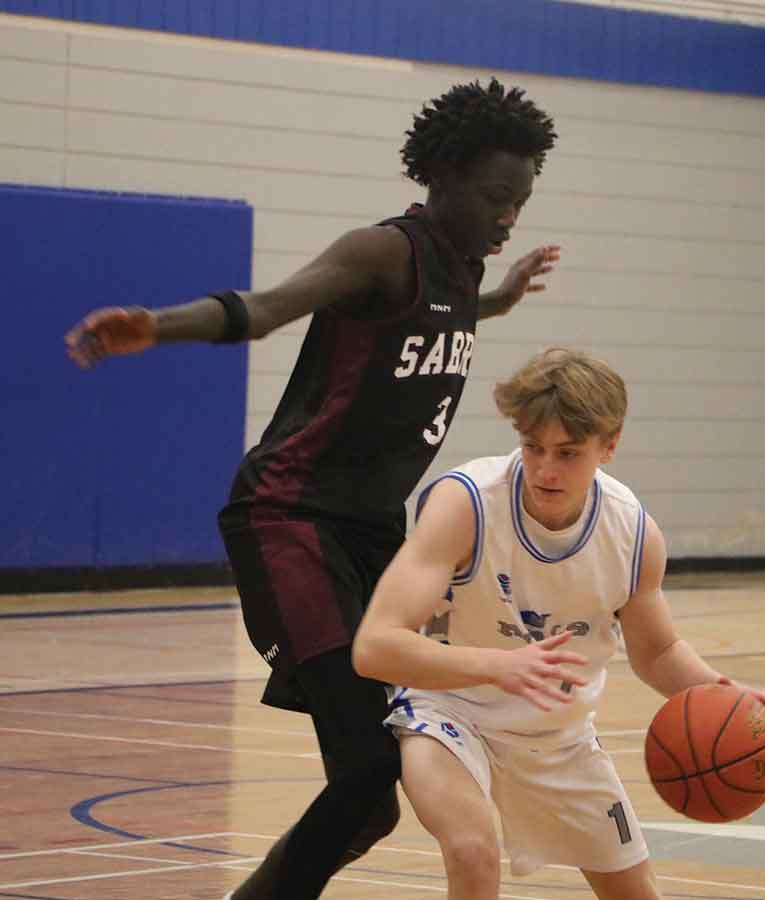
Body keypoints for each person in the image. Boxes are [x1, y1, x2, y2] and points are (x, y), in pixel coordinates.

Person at [64, 78, 559, 900]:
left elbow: (456, 310)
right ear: (442, 174)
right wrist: (159, 324)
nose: (510, 217)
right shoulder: (381, 253)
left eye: (522, 202)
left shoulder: (465, 269)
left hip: (370, 536)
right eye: (497, 197)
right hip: (290, 518)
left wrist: (502, 296)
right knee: (368, 775)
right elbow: (263, 311)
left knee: (369, 806)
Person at [353, 347, 765, 900]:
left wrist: (727, 694)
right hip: (449, 711)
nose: (544, 469)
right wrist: (498, 666)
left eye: (567, 453)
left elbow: (656, 654)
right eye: (533, 447)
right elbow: (374, 646)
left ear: (608, 446)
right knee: (471, 849)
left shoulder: (632, 533)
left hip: (557, 736)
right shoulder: (464, 504)